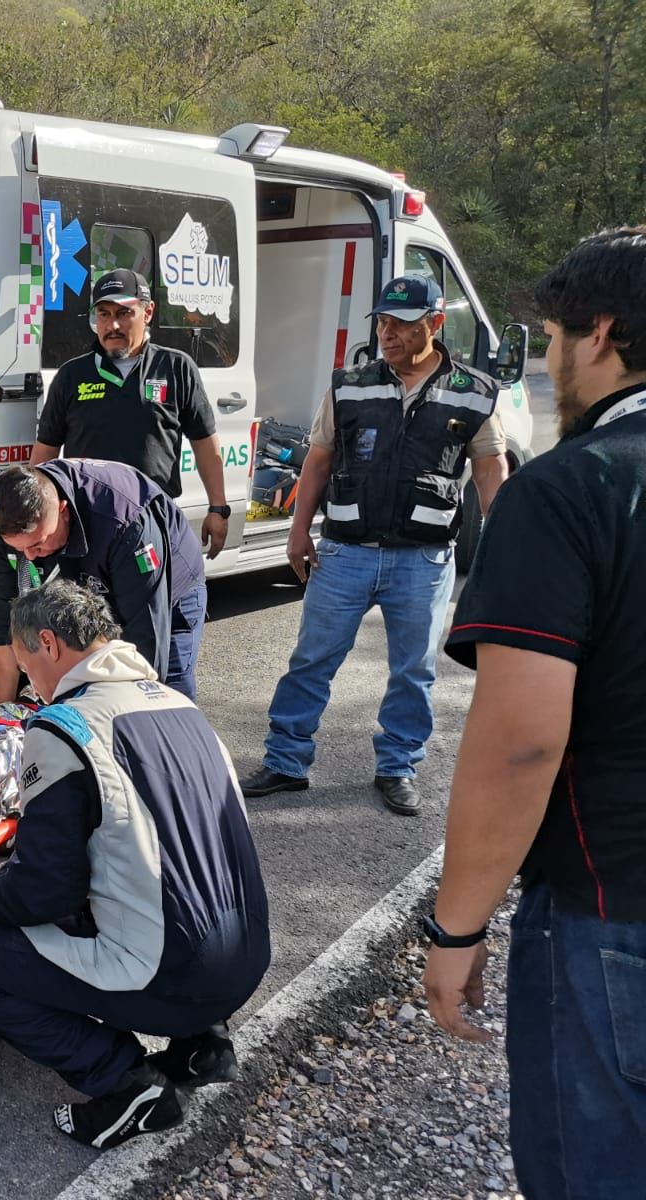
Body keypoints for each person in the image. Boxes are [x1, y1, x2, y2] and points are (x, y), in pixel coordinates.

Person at [422, 227, 646, 1199]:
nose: (551, 362)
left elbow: (519, 743)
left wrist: (456, 929)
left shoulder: (566, 487)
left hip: (612, 912)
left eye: (554, 337)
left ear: (598, 335)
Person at [0, 581, 270, 1151]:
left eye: (23, 664)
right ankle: (205, 1046)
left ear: (47, 643)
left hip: (172, 973)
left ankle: (123, 1084)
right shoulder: (179, 705)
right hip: (247, 960)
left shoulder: (65, 727)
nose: (28, 683)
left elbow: (45, 891)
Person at [240, 273, 509, 816]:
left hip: (423, 558)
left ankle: (397, 766)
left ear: (435, 324)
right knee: (312, 659)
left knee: (413, 669)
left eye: (402, 325)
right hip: (345, 553)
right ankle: (286, 762)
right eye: (383, 322)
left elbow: (489, 473)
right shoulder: (348, 384)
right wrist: (298, 533)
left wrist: (502, 547)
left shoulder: (474, 392)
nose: (388, 333)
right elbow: (317, 462)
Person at [31, 270, 231, 557]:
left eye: (124, 313)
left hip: (153, 517)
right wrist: (37, 513)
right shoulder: (71, 375)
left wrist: (218, 508)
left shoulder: (176, 367)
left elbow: (204, 442)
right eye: (103, 314)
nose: (112, 325)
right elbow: (46, 452)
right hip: (88, 522)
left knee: (152, 602)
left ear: (147, 312)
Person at [0, 459, 207, 704]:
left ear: (63, 512)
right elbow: (0, 624)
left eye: (37, 544)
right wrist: (2, 714)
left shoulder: (124, 521)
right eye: (19, 549)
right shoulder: (0, 519)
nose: (30, 557)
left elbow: (145, 647)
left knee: (164, 697)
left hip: (163, 591)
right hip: (81, 583)